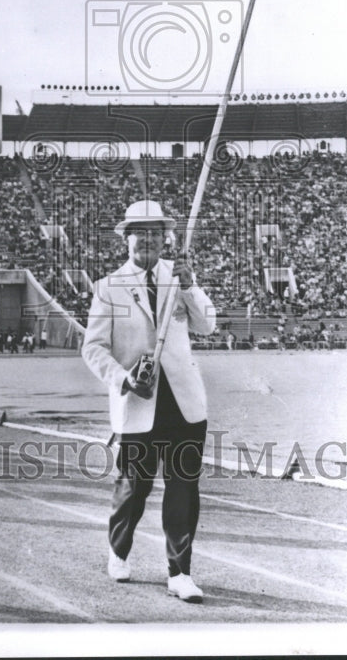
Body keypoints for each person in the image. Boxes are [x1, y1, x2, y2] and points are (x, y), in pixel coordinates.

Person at [82, 200, 216, 603]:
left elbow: (207, 325)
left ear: (165, 237)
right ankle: (119, 549)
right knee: (134, 488)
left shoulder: (180, 277)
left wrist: (191, 285)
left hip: (183, 403)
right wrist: (124, 379)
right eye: (139, 231)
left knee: (183, 490)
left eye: (155, 231)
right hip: (138, 402)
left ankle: (180, 572)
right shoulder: (109, 287)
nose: (148, 239)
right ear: (126, 238)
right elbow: (93, 349)